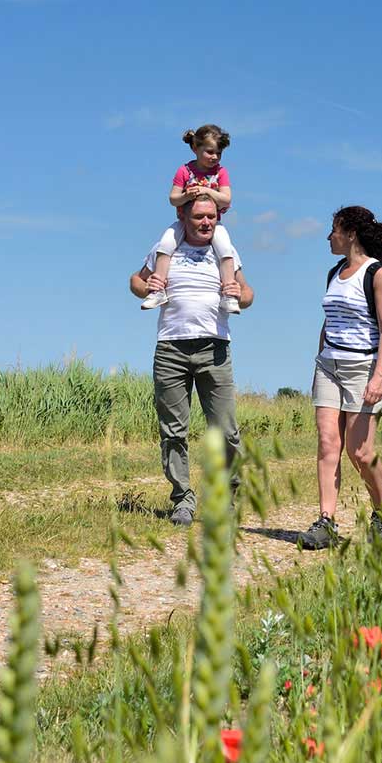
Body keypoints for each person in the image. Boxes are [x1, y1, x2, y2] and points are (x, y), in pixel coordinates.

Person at [129, 191, 255, 525]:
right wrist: (148, 286)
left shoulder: (223, 251)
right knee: (173, 431)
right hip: (171, 348)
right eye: (199, 217)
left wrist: (238, 295)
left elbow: (249, 294)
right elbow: (135, 282)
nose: (206, 223)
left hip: (214, 348)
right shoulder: (167, 247)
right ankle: (182, 500)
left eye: (211, 217)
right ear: (184, 217)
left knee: (226, 430)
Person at [298, 205, 382, 550]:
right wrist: (319, 358)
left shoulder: (378, 274)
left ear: (351, 233)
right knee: (329, 445)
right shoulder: (334, 272)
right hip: (329, 366)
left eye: (334, 230)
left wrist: (378, 377)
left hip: (364, 369)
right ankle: (325, 522)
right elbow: (329, 322)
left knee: (360, 452)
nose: (329, 236)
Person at [141, 124, 242, 316]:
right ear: (196, 149)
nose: (215, 157)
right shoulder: (185, 171)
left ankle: (229, 293)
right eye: (210, 152)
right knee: (166, 244)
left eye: (219, 153)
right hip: (185, 221)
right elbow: (173, 198)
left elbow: (226, 198)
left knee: (225, 249)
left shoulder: (220, 173)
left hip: (214, 224)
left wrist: (206, 191)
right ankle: (158, 289)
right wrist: (187, 195)